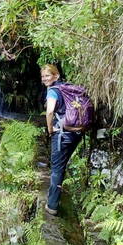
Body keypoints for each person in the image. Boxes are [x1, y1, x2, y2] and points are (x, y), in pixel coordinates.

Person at [41, 64, 82, 215]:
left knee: (56, 168)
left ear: (56, 76)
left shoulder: (53, 91)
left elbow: (50, 111)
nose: (45, 78)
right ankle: (56, 196)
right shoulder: (67, 88)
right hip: (76, 133)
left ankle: (51, 206)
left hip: (62, 134)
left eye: (48, 75)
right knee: (62, 165)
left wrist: (50, 129)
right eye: (43, 76)